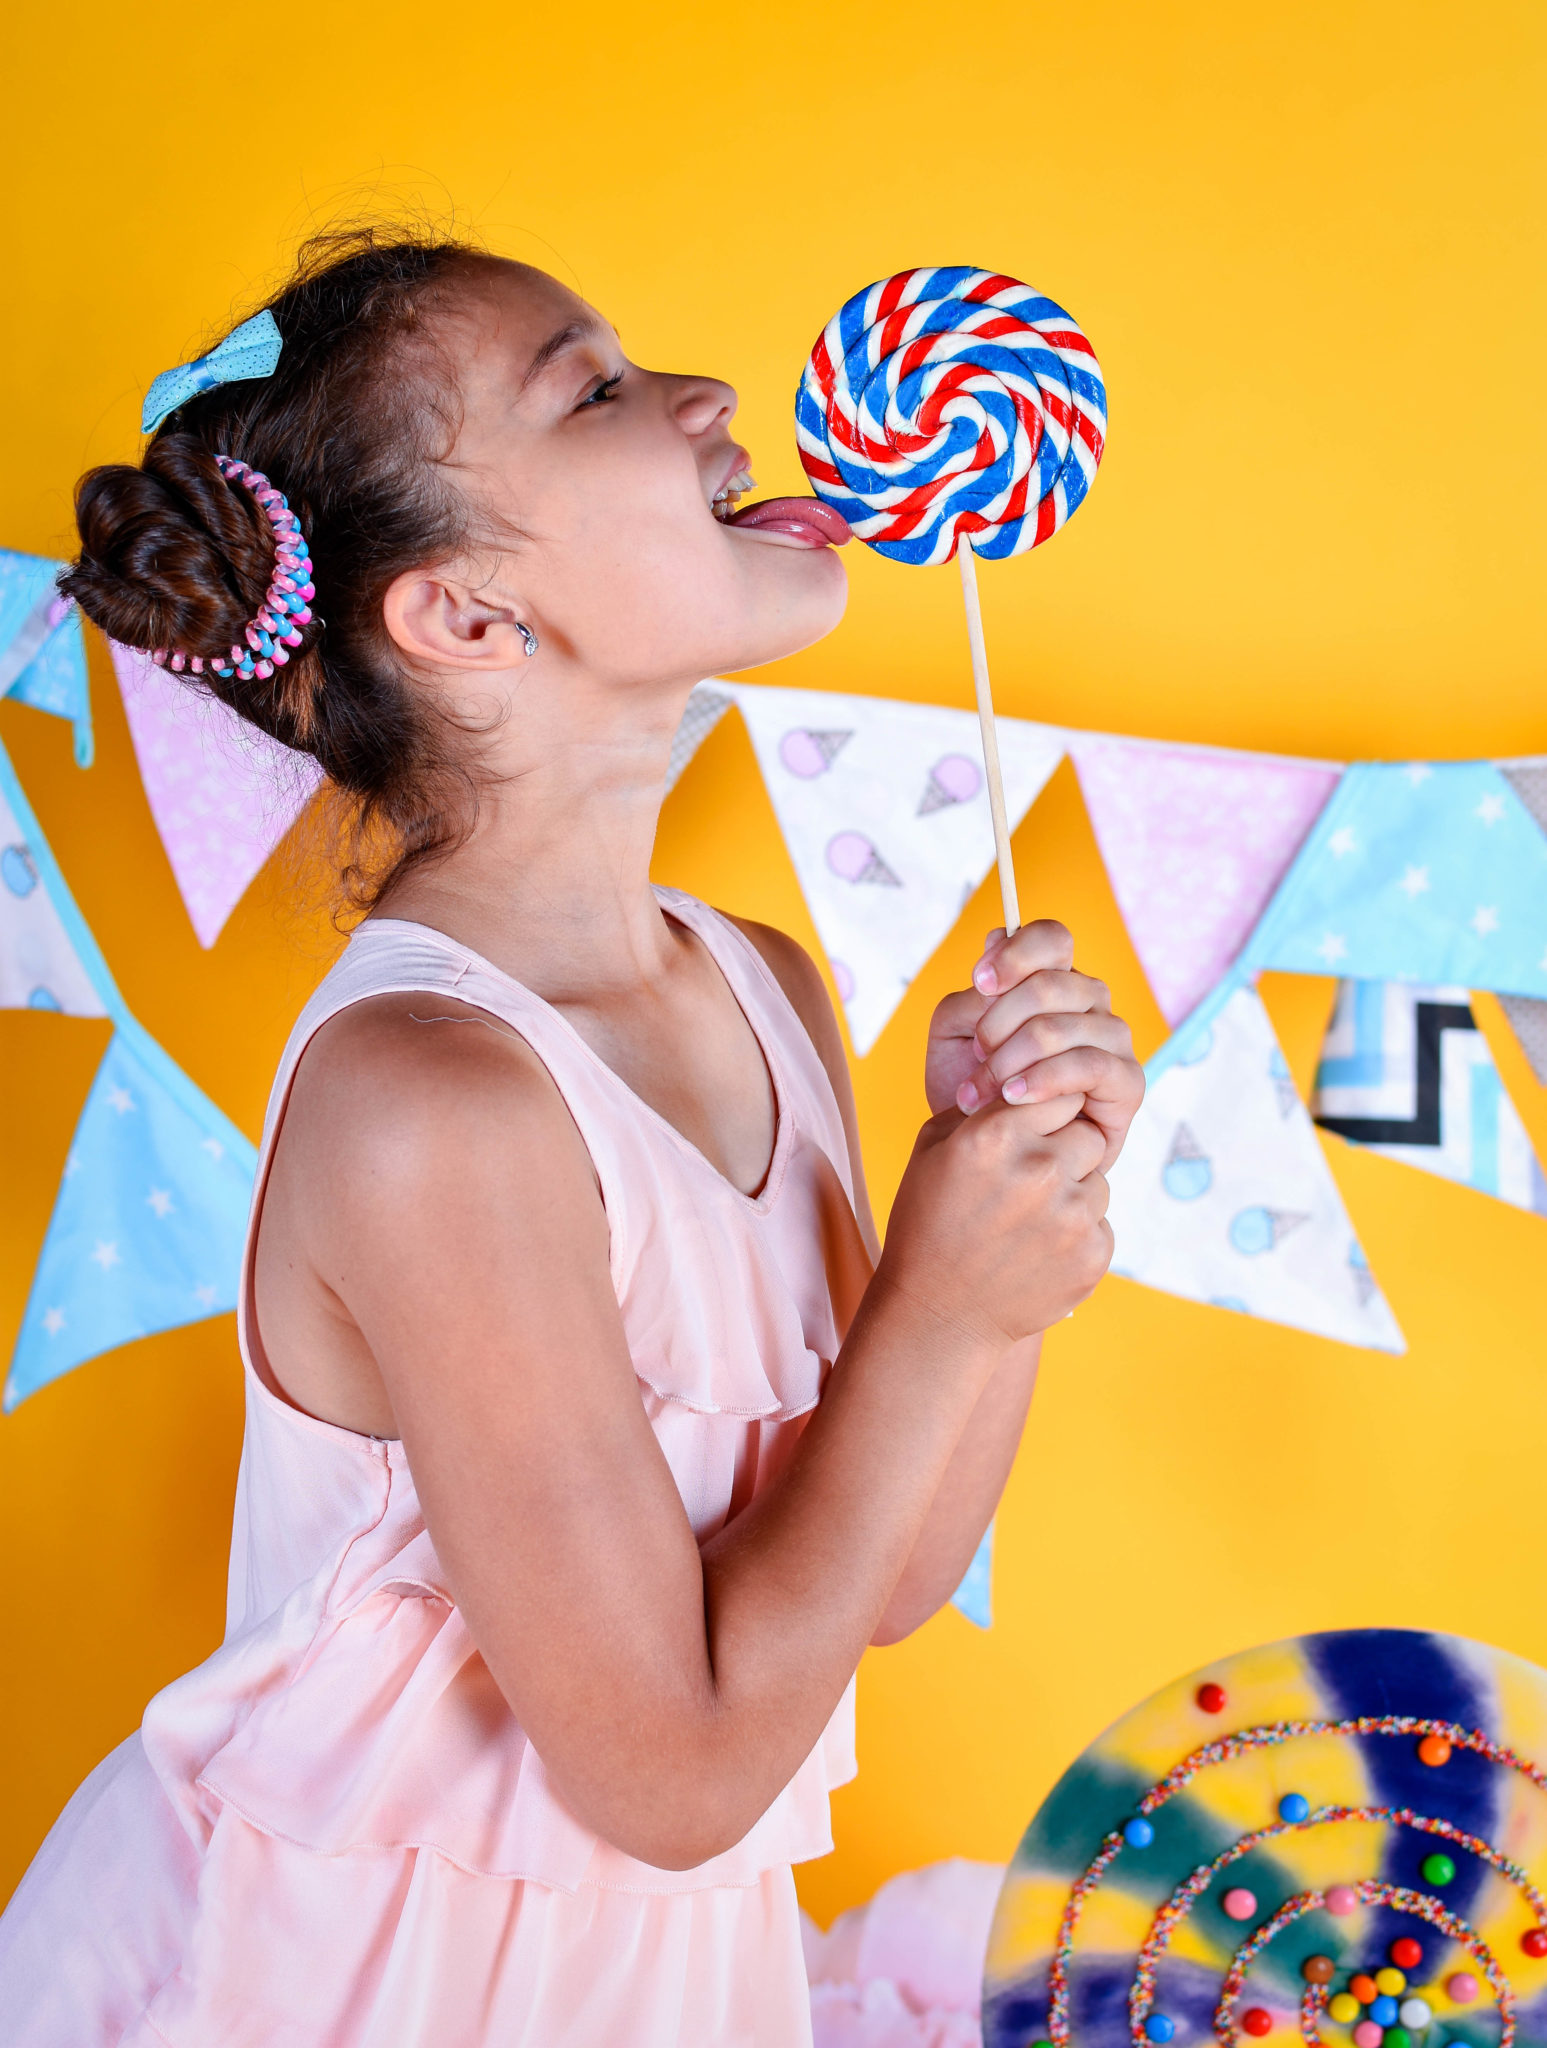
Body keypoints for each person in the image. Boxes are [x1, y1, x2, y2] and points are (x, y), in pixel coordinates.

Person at [0, 229, 1143, 2047]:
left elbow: (888, 1577)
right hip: (359, 1988)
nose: (711, 403)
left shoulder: (756, 983)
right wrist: (936, 1304)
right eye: (594, 387)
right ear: (464, 618)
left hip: (662, 1986)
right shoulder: (427, 1104)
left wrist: (983, 1261)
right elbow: (673, 1773)